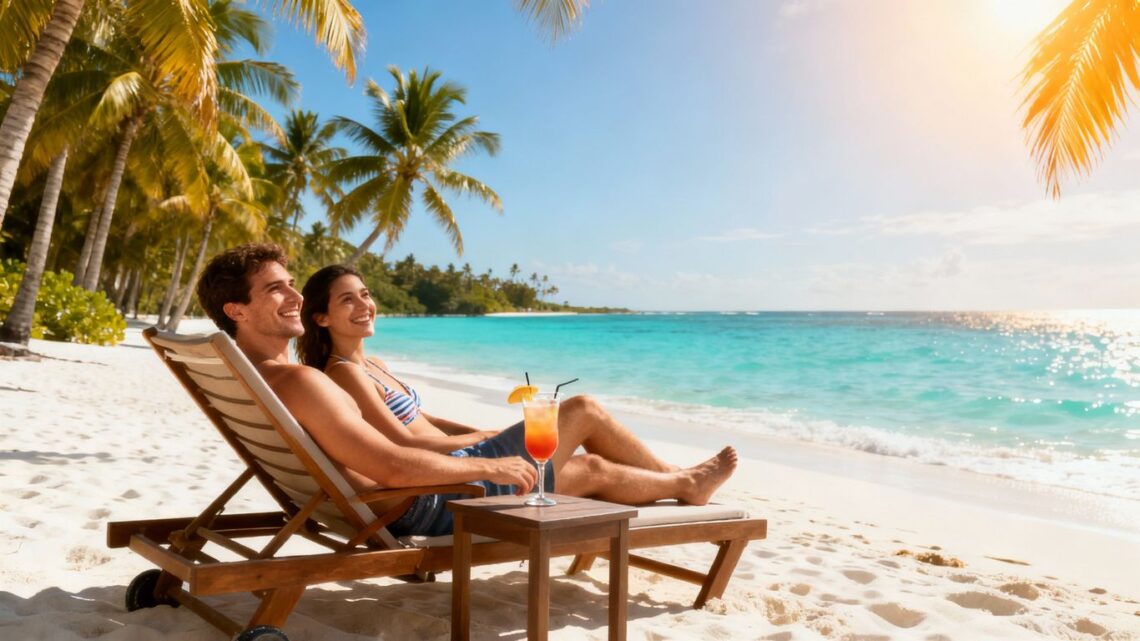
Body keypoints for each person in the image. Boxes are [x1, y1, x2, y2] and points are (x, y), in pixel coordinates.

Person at [196, 245, 736, 538]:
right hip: (422, 505)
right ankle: (683, 482)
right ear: (237, 311)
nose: (291, 294)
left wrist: (481, 447)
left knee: (588, 473)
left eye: (291, 284)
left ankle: (684, 484)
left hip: (393, 499)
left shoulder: (264, 379)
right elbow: (394, 465)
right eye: (275, 288)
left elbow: (393, 451)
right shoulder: (305, 380)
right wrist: (488, 465)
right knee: (581, 408)